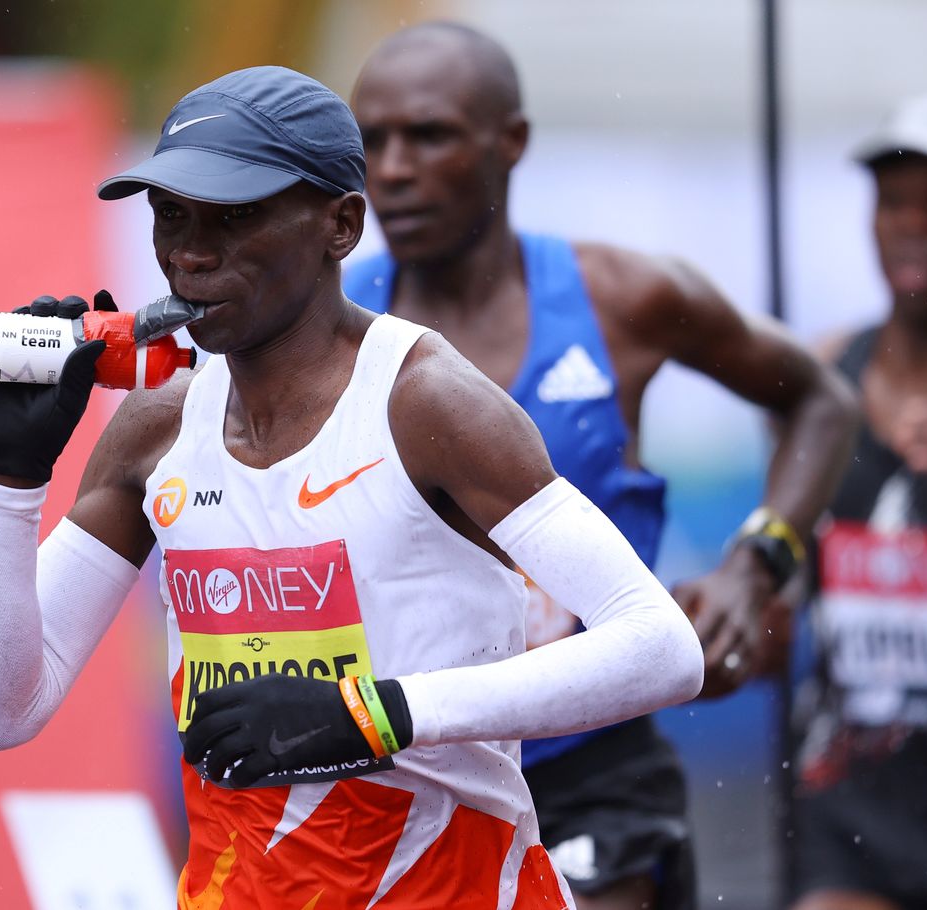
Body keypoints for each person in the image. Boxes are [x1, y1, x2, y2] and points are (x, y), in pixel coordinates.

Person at [0, 65, 706, 907]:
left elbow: (662, 649)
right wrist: (11, 477)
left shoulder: (428, 403)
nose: (190, 252)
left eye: (234, 216)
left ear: (341, 225)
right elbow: (2, 711)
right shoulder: (158, 424)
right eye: (171, 214)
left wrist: (373, 714)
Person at [345, 23, 859, 910]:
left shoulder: (624, 299)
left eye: (427, 136)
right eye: (373, 141)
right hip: (403, 763)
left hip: (589, 759)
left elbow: (822, 401)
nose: (392, 169)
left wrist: (756, 566)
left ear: (511, 142)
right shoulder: (325, 322)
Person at [785, 88, 927, 910]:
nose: (913, 226)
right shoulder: (823, 378)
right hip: (854, 794)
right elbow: (783, 570)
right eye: (895, 202)